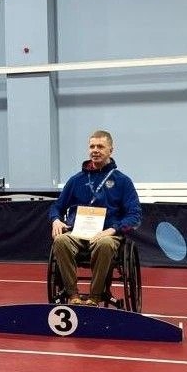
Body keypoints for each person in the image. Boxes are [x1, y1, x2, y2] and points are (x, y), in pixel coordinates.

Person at [50, 130, 142, 306]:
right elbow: (57, 206)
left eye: (100, 146)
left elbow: (135, 215)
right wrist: (55, 219)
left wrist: (113, 229)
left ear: (110, 150)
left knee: (105, 244)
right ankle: (72, 295)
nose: (95, 150)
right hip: (77, 233)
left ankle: (95, 296)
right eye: (92, 146)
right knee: (60, 240)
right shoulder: (76, 180)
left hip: (107, 234)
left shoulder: (123, 181)